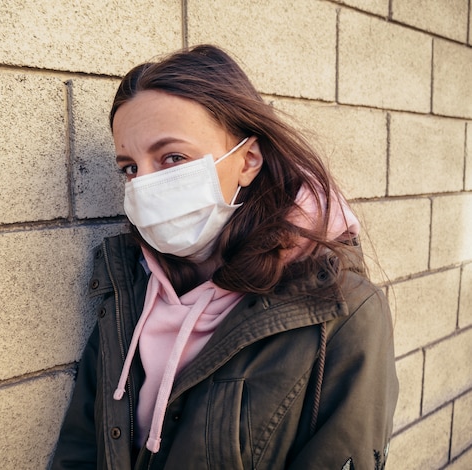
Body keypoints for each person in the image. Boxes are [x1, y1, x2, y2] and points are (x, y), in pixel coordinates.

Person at [49, 44, 398, 470]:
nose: (143, 186)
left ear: (248, 160)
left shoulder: (342, 310)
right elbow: (82, 446)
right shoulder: (129, 286)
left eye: (173, 158)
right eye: (130, 168)